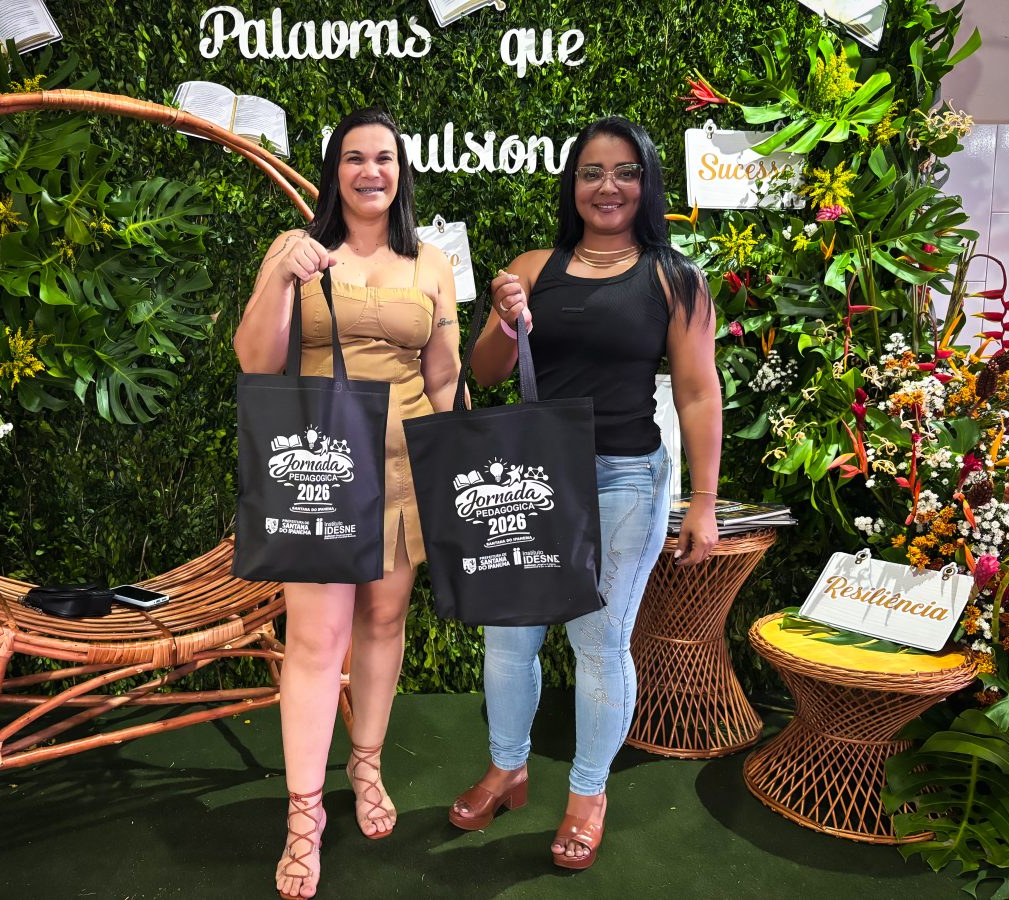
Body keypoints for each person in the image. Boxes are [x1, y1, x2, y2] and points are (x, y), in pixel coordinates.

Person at [447, 116, 721, 870]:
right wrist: (509, 321)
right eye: (592, 171)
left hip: (624, 478)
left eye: (626, 171)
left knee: (599, 643)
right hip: (533, 480)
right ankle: (507, 768)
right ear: (572, 184)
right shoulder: (535, 268)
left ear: (647, 182)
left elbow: (698, 393)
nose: (608, 186)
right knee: (509, 636)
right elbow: (487, 372)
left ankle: (588, 794)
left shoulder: (674, 279)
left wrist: (702, 501)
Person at [233, 108, 460, 900]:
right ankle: (304, 815)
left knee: (384, 622)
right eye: (354, 158)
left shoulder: (431, 263)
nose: (371, 171)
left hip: (404, 475)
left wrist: (453, 467)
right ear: (335, 171)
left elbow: (443, 376)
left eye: (384, 158)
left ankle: (365, 765)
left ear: (401, 172)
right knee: (313, 642)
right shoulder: (296, 250)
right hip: (320, 475)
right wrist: (280, 278)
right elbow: (256, 361)